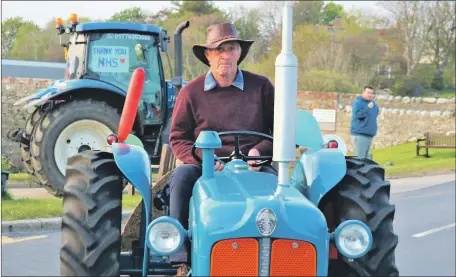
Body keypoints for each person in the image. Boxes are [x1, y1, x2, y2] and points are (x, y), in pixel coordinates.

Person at [167, 22, 276, 275]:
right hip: (207, 166)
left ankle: (274, 256)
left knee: (283, 193)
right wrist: (202, 158)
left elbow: (281, 132)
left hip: (253, 165)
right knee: (181, 178)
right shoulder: (191, 92)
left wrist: (259, 151)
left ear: (239, 52)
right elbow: (178, 138)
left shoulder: (261, 87)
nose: (225, 55)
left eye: (231, 48)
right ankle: (179, 251)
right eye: (218, 50)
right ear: (208, 55)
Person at [350, 86, 379, 159]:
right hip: (360, 135)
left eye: (371, 93)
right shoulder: (358, 103)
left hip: (369, 136)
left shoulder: (374, 105)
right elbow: (357, 115)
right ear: (363, 92)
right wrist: (367, 107)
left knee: (366, 160)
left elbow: (374, 116)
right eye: (368, 92)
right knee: (360, 159)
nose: (370, 95)